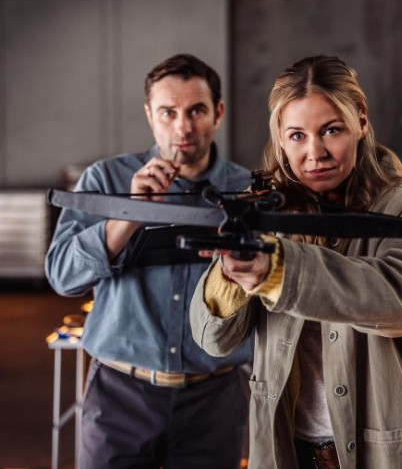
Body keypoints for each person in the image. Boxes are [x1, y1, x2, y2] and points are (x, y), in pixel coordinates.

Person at [189, 55, 402, 469]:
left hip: (386, 451)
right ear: (280, 138)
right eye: (297, 135)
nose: (316, 153)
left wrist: (279, 272)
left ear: (360, 122)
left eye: (332, 130)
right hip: (291, 449)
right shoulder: (267, 211)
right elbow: (214, 340)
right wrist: (231, 272)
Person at [46, 53, 253, 468]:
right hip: (120, 396)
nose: (183, 127)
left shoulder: (247, 190)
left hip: (214, 400)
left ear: (218, 112)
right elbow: (63, 276)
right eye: (168, 112)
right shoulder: (106, 180)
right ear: (149, 115)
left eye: (196, 110)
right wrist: (131, 212)